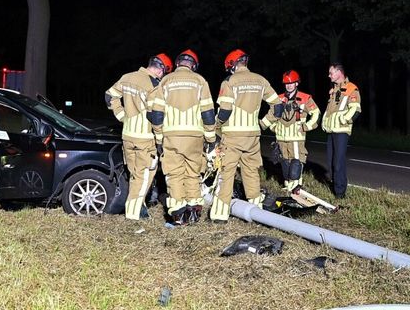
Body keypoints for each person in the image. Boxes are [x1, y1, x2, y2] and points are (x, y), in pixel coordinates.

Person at [209, 50, 281, 222]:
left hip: (232, 136)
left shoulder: (229, 82)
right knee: (251, 172)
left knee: (226, 173)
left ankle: (219, 215)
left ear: (232, 65)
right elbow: (278, 106)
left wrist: (216, 126)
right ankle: (257, 211)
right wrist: (263, 124)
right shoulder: (261, 80)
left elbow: (225, 111)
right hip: (253, 137)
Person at [147, 49, 216, 226]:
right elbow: (208, 113)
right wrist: (210, 140)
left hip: (172, 136)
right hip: (195, 137)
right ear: (194, 65)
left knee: (174, 174)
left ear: (177, 63)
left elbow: (157, 114)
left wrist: (159, 138)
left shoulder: (165, 81)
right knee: (193, 173)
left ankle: (179, 215)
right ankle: (194, 212)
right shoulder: (200, 81)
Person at [104, 53, 172, 221]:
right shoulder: (153, 85)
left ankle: (139, 207)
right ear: (161, 69)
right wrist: (160, 139)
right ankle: (133, 213)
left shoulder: (127, 77)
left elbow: (109, 96)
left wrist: (122, 116)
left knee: (134, 174)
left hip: (127, 135)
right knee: (146, 174)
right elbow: (155, 116)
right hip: (145, 138)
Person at [262, 69, 320, 197]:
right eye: (286, 83)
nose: (288, 85)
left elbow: (316, 114)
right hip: (281, 138)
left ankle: (296, 188)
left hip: (296, 138)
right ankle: (288, 186)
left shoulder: (305, 98)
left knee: (296, 163)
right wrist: (273, 127)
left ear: (297, 83)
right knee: (285, 163)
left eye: (291, 83)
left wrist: (306, 126)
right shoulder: (279, 99)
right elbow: (272, 115)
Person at [321, 63, 361, 198]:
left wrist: (344, 120)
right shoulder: (334, 90)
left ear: (339, 72)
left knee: (338, 163)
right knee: (331, 161)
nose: (329, 75)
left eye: (331, 72)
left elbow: (355, 109)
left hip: (341, 131)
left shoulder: (351, 88)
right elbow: (330, 110)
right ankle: (335, 187)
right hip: (332, 130)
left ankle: (340, 194)